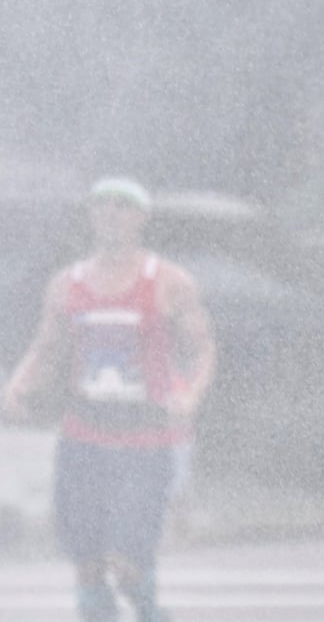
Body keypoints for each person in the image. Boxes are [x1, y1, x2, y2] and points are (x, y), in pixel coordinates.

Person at [1, 177, 216, 622]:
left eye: (122, 206)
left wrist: (190, 393)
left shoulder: (168, 281)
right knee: (87, 564)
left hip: (147, 440)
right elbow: (47, 347)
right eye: (102, 206)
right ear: (91, 215)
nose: (110, 215)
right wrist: (18, 385)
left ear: (142, 217)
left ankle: (148, 608)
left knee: (126, 562)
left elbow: (203, 348)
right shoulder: (67, 283)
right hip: (84, 438)